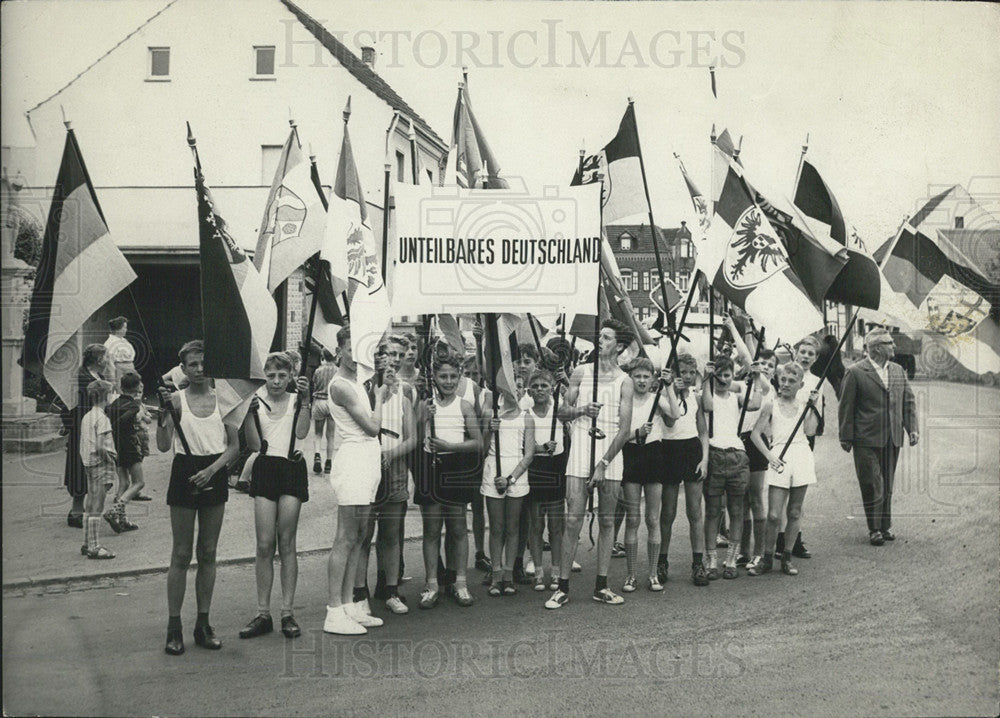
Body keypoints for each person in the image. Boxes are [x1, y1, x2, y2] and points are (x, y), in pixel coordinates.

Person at [157, 340, 239, 656]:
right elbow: (164, 445)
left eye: (205, 363)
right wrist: (164, 415)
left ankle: (203, 624)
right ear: (184, 368)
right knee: (180, 553)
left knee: (208, 551)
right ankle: (174, 626)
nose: (200, 369)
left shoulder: (226, 401)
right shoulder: (175, 400)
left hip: (213, 472)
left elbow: (234, 447)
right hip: (184, 472)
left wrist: (212, 471)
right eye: (193, 364)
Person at [546, 319, 634, 609]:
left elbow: (624, 429)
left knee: (607, 520)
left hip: (610, 454)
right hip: (582, 448)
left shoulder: (625, 381)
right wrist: (583, 409)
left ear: (619, 346)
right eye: (600, 336)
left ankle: (601, 585)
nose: (601, 341)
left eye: (607, 338)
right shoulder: (581, 372)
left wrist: (603, 463)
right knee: (572, 520)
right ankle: (562, 586)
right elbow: (562, 412)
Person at [239, 352, 311, 640]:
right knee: (264, 544)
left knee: (287, 542)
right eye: (271, 375)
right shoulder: (256, 400)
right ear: (265, 376)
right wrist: (247, 413)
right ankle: (262, 613)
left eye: (283, 375)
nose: (277, 381)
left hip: (292, 469)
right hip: (266, 469)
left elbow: (303, 433)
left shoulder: (297, 400)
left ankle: (287, 612)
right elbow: (256, 445)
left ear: (291, 376)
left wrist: (306, 401)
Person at [323, 326, 386, 635]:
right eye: (349, 347)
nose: (355, 353)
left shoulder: (357, 381)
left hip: (368, 462)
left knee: (361, 535)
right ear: (340, 349)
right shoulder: (342, 386)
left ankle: (349, 605)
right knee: (346, 537)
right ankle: (333, 610)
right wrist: (380, 397)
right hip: (353, 462)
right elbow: (373, 427)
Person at [413, 351, 483, 609]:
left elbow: (478, 442)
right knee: (431, 531)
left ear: (460, 376)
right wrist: (422, 419)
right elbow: (416, 439)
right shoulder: (425, 404)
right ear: (434, 377)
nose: (449, 381)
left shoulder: (464, 405)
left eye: (454, 376)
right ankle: (432, 585)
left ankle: (460, 583)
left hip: (456, 469)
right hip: (431, 469)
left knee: (457, 529)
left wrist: (449, 445)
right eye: (443, 376)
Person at [838, 328, 918, 546]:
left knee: (887, 483)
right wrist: (845, 436)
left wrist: (912, 428)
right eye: (890, 343)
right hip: (865, 438)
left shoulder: (898, 370)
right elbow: (846, 406)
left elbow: (908, 401)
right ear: (877, 348)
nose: (894, 346)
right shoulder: (855, 372)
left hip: (892, 436)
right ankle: (874, 529)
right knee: (872, 483)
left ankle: (884, 526)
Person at [748, 361, 819, 576]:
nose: (786, 384)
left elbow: (810, 430)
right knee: (773, 515)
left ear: (800, 384)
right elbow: (755, 434)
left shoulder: (804, 405)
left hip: (801, 456)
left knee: (795, 511)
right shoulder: (771, 405)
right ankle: (767, 558)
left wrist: (813, 406)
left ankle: (787, 557)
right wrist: (769, 456)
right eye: (783, 380)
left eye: (792, 381)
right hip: (779, 456)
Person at [700, 355, 763, 579]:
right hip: (715, 453)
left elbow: (755, 403)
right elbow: (707, 406)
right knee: (713, 512)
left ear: (732, 375)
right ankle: (711, 562)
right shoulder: (705, 394)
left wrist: (755, 377)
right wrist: (706, 378)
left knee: (737, 511)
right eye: (719, 375)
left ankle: (731, 560)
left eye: (727, 375)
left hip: (737, 455)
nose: (723, 379)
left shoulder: (736, 397)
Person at [620, 358, 678, 593]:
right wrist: (637, 432)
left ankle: (653, 574)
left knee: (652, 519)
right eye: (638, 376)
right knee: (633, 519)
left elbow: (674, 417)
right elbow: (619, 436)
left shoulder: (657, 399)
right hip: (631, 455)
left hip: (654, 455)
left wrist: (669, 386)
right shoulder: (624, 400)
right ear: (630, 378)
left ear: (653, 379)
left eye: (646, 376)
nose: (642, 380)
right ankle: (631, 575)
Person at [364, 354, 415, 616]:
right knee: (364, 535)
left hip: (394, 470)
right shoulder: (365, 399)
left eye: (394, 370)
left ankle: (391, 589)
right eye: (384, 371)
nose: (391, 374)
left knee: (391, 535)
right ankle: (359, 591)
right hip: (368, 470)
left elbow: (412, 439)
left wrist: (392, 454)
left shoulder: (403, 401)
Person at [658, 353, 710, 586]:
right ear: (675, 374)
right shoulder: (663, 394)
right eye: (683, 373)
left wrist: (705, 459)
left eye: (691, 373)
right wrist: (672, 390)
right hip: (670, 450)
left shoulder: (697, 397)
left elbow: (703, 432)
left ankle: (698, 564)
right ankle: (662, 561)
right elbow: (670, 421)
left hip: (692, 450)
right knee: (668, 511)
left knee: (694, 511)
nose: (687, 377)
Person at [482, 384, 536, 596]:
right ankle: (495, 575)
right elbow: (483, 448)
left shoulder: (526, 417)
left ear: (522, 392)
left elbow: (529, 454)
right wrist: (489, 430)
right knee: (496, 527)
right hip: (493, 472)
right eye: (509, 389)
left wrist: (511, 478)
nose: (514, 393)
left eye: (518, 389)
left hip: (517, 474)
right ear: (501, 392)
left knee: (513, 527)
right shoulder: (492, 416)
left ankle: (508, 574)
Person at [775, 335, 823, 559]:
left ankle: (795, 538)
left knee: (797, 491)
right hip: (782, 434)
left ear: (815, 359)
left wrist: (813, 404)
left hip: (803, 439)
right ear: (796, 352)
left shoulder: (816, 382)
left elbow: (815, 421)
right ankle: (778, 537)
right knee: (779, 488)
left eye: (810, 354)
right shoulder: (784, 373)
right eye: (803, 351)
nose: (805, 356)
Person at [525, 369, 568, 592]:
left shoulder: (559, 412)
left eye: (544, 386)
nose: (540, 389)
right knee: (536, 523)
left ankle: (557, 572)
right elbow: (523, 445)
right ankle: (539, 572)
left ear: (552, 389)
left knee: (556, 525)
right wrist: (540, 448)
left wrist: (565, 380)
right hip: (535, 469)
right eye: (536, 386)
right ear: (529, 391)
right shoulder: (526, 415)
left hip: (555, 467)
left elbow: (574, 402)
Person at [61, 343, 111, 528]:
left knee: (94, 467)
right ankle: (75, 512)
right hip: (82, 429)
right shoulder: (81, 378)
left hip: (96, 427)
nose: (108, 360)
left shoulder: (101, 376)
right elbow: (69, 404)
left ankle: (86, 510)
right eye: (106, 357)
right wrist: (72, 426)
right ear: (98, 359)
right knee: (79, 468)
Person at [737, 349, 777, 572]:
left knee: (755, 499)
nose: (765, 367)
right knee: (741, 501)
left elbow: (747, 355)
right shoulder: (744, 387)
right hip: (739, 441)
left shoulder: (769, 390)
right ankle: (743, 551)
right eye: (761, 363)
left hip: (757, 443)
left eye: (770, 365)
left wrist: (737, 329)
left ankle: (759, 552)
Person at [105, 370, 149, 532]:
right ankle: (114, 511)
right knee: (139, 482)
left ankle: (123, 519)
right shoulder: (133, 405)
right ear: (137, 387)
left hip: (116, 446)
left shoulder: (113, 404)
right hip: (129, 446)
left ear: (121, 387)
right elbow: (124, 420)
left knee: (124, 482)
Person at [79, 379, 117, 559]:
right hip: (100, 463)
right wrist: (110, 460)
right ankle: (94, 546)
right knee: (98, 505)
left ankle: (87, 543)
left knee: (90, 503)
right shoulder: (103, 419)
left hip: (88, 463)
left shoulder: (88, 416)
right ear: (106, 396)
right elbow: (101, 446)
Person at [310, 349, 338, 475]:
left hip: (319, 401)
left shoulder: (318, 370)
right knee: (331, 435)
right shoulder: (338, 371)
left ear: (323, 356)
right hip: (332, 403)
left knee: (318, 433)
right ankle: (329, 462)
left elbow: (314, 385)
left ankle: (317, 454)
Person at [104, 316, 136, 390]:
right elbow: (110, 364)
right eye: (124, 328)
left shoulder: (124, 341)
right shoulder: (109, 343)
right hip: (119, 372)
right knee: (121, 392)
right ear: (118, 329)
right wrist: (113, 381)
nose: (126, 330)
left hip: (130, 370)